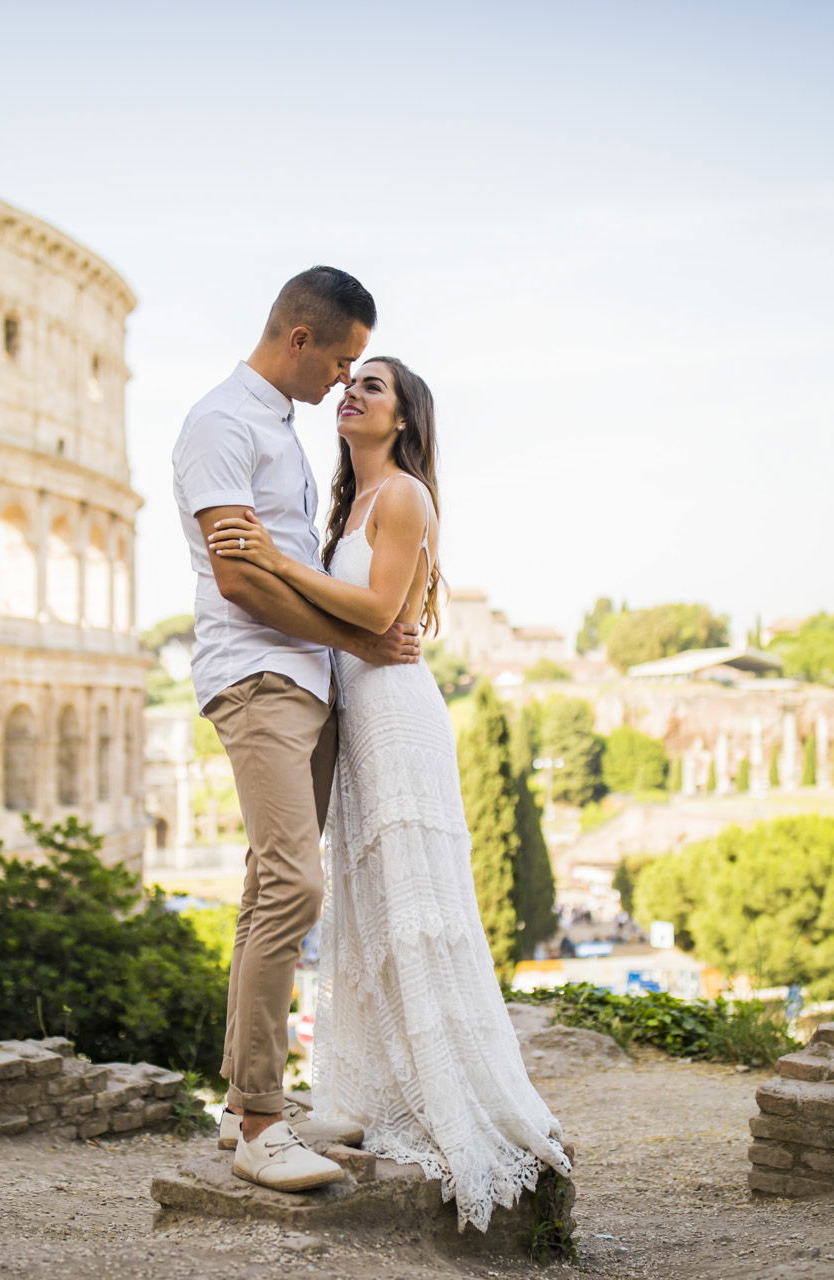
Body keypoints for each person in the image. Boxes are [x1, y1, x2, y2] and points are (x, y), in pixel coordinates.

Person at [209, 356, 571, 1231]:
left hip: (395, 711)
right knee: (366, 904)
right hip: (356, 707)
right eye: (350, 383)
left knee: (413, 899)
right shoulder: (349, 503)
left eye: (373, 388)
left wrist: (271, 560)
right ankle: (366, 1085)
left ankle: (450, 1089)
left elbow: (375, 615)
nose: (352, 393)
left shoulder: (404, 495)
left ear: (404, 419)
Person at [170, 266, 422, 1192]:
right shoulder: (221, 424)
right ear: (303, 339)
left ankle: (242, 1111)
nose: (341, 385)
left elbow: (281, 563)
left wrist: (344, 644)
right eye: (343, 361)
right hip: (257, 673)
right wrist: (358, 634)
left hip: (304, 679)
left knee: (263, 894)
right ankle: (267, 1124)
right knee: (292, 888)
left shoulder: (277, 429)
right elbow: (240, 579)